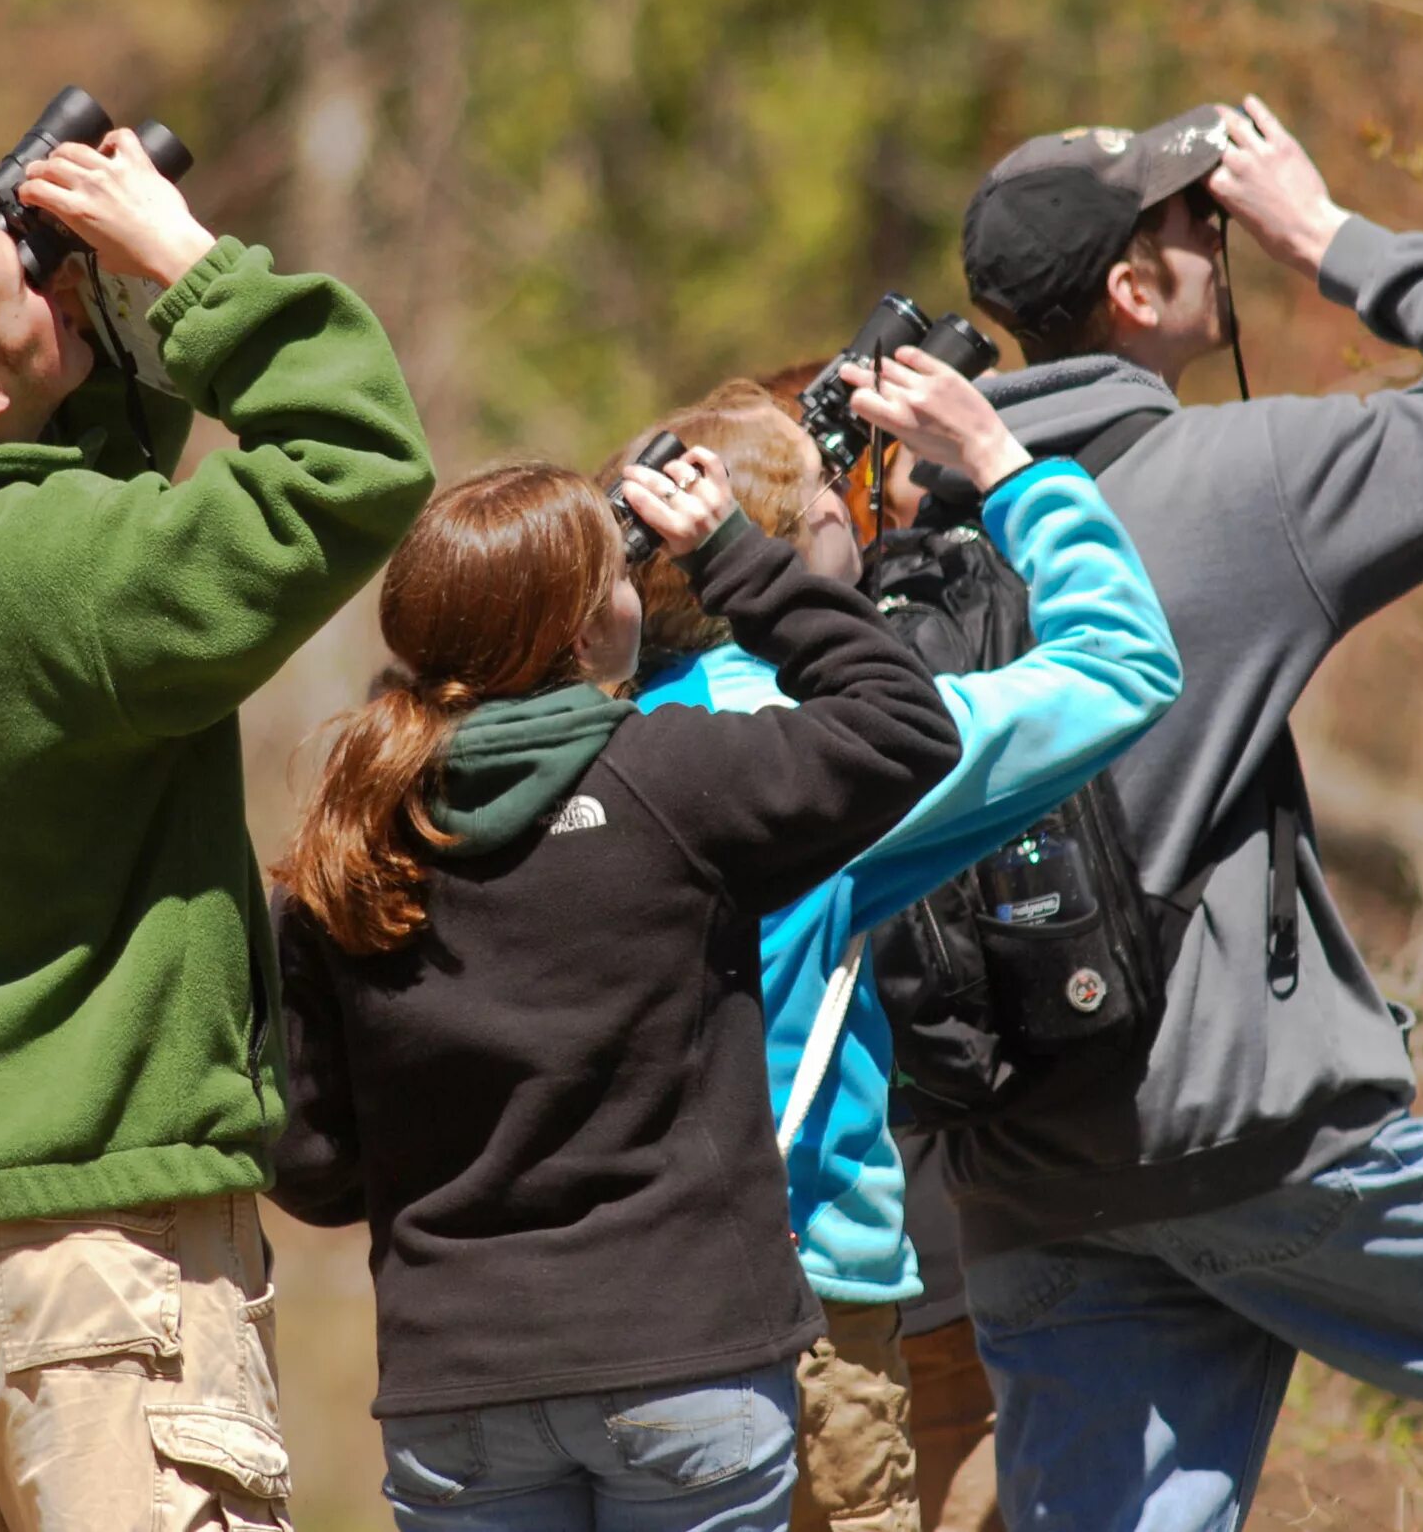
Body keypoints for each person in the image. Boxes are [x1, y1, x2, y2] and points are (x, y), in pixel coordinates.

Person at [943, 97, 1423, 1531]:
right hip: (1256, 1143)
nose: (1217, 236)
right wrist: (1327, 232)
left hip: (1023, 1180)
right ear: (1132, 287)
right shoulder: (1239, 483)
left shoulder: (912, 529)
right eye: (1196, 222)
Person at [0, 128, 434, 1529]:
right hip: (105, 1244)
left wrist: (74, 324)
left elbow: (22, 479)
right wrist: (186, 267)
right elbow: (359, 456)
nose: (64, 303)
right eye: (36, 305)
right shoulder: (86, 587)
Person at [265, 450, 963, 1532]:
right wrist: (736, 556)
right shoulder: (676, 777)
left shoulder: (350, 840)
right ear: (587, 635)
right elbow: (909, 726)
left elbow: (311, 1167)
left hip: (460, 1379)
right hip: (689, 1356)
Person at [627, 362, 1180, 1532]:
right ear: (796, 531)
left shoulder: (604, 727)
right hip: (804, 1293)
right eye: (830, 485)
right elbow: (1124, 664)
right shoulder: (829, 751)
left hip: (605, 1307)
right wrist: (1004, 463)